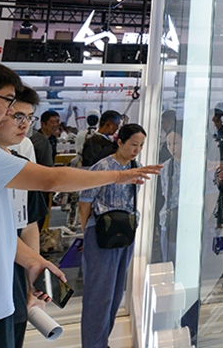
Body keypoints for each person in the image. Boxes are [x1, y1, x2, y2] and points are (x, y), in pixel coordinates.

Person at [0, 60, 160, 348]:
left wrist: (32, 261)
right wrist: (118, 175)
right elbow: (51, 180)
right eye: (8, 103)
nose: (9, 114)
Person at [78, 124, 147, 348]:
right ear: (120, 142)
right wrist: (87, 232)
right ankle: (93, 344)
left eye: (141, 146)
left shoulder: (137, 167)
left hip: (125, 233)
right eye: (133, 144)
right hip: (100, 234)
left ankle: (102, 341)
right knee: (99, 294)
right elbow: (85, 202)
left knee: (116, 292)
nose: (137, 150)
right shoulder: (102, 168)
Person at [0, 88, 48, 348]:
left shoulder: (22, 159)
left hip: (14, 277)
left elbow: (29, 224)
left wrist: (32, 279)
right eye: (18, 117)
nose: (24, 125)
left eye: (29, 118)